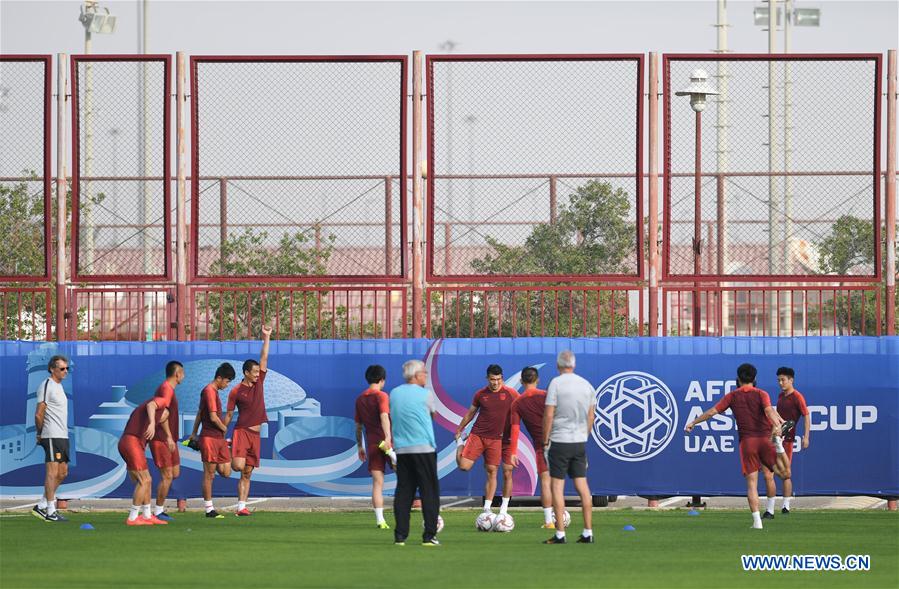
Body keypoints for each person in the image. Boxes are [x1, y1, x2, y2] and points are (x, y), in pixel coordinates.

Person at [685, 363, 792, 530]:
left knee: (751, 484)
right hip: (765, 440)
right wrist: (777, 424)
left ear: (738, 378)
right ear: (754, 379)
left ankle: (757, 522)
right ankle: (778, 445)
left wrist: (693, 422)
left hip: (747, 443)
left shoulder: (732, 396)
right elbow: (769, 411)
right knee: (785, 473)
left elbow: (712, 412)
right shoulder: (761, 393)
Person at [117, 360, 183, 526]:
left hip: (133, 443)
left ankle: (146, 515)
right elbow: (153, 406)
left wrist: (168, 436)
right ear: (177, 374)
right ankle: (132, 517)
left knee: (147, 479)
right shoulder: (161, 398)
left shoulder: (163, 407)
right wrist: (152, 423)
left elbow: (163, 416)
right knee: (145, 480)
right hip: (131, 442)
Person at [541, 350, 596, 545]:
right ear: (574, 364)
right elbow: (591, 416)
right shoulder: (586, 385)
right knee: (582, 486)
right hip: (579, 441)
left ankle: (560, 534)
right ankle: (588, 531)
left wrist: (545, 439)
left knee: (557, 486)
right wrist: (584, 435)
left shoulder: (556, 384)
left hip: (560, 440)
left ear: (558, 365)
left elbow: (548, 414)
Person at [454, 364, 519, 516]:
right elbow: (470, 413)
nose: (495, 383)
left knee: (492, 471)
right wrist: (459, 429)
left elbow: (523, 408)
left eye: (498, 379)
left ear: (502, 378)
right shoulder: (480, 394)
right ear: (487, 378)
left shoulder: (511, 393)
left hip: (497, 439)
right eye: (492, 379)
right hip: (477, 434)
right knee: (464, 466)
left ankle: (488, 510)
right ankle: (460, 443)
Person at [390, 359, 441, 546]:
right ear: (415, 375)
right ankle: (429, 535)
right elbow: (433, 415)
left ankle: (400, 536)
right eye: (424, 373)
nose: (426, 376)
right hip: (424, 448)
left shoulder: (394, 393)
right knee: (429, 492)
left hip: (402, 449)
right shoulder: (425, 394)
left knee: (404, 492)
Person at [224, 325, 272, 516]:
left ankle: (241, 507)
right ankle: (228, 446)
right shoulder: (235, 391)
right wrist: (221, 432)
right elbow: (228, 414)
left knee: (247, 472)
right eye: (253, 372)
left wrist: (266, 337)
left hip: (255, 435)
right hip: (241, 431)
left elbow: (264, 358)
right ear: (245, 372)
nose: (257, 374)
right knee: (237, 466)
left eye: (257, 372)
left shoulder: (259, 381)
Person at [187, 362, 236, 519]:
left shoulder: (213, 392)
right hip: (209, 437)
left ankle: (222, 446)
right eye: (227, 381)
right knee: (209, 474)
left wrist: (193, 433)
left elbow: (200, 414)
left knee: (226, 472)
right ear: (219, 378)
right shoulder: (208, 391)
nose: (227, 385)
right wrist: (223, 428)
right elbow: (213, 417)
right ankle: (209, 510)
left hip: (219, 439)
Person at [508, 366, 554, 528]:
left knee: (546, 481)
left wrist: (513, 452)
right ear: (538, 380)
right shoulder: (547, 396)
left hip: (542, 445)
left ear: (521, 381)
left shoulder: (517, 403)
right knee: (560, 480)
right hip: (560, 440)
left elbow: (515, 429)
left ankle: (549, 521)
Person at [761, 366, 810, 518]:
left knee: (785, 475)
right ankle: (769, 510)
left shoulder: (798, 397)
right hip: (776, 439)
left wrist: (806, 436)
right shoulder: (781, 397)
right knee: (768, 473)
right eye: (778, 380)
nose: (781, 383)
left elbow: (806, 416)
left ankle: (786, 507)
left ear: (791, 380)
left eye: (783, 380)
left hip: (787, 441)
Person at [354, 364, 396, 529]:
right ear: (382, 380)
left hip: (371, 443)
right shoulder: (382, 396)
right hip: (386, 442)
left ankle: (380, 520)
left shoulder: (360, 399)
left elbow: (358, 426)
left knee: (377, 483)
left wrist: (360, 446)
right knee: (406, 477)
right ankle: (393, 455)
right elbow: (384, 417)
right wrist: (387, 438)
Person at [32, 355, 71, 523]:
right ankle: (50, 510)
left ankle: (41, 505)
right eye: (62, 369)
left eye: (67, 369)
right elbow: (39, 413)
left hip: (62, 435)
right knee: (52, 472)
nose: (65, 372)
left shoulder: (59, 387)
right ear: (52, 369)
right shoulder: (47, 385)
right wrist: (40, 433)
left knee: (63, 473)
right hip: (51, 434)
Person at [150, 361, 185, 521]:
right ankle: (157, 511)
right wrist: (169, 437)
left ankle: (155, 508)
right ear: (177, 374)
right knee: (168, 475)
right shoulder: (166, 389)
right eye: (182, 373)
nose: (183, 376)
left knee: (174, 473)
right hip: (161, 439)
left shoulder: (169, 389)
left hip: (169, 439)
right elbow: (163, 414)